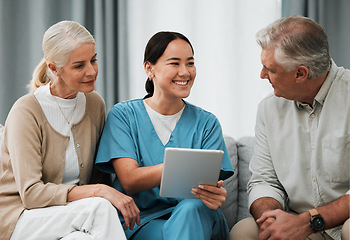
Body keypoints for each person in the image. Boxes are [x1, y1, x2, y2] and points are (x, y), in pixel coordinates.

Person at [0, 20, 140, 240]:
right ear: (54, 68)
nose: (91, 71)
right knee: (100, 207)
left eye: (93, 60)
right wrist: (99, 192)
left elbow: (99, 176)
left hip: (72, 215)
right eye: (79, 65)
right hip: (22, 217)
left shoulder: (94, 104)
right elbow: (31, 194)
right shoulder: (26, 111)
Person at [95, 31, 234, 239]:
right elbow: (130, 180)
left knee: (191, 208)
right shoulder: (124, 116)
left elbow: (210, 187)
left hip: (198, 218)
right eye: (175, 63)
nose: (185, 72)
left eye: (190, 63)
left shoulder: (207, 123)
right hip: (144, 222)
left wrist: (214, 195)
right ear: (149, 69)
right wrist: (180, 166)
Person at [230, 16, 349, 240]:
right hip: (294, 220)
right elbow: (264, 180)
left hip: (343, 222)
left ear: (300, 74)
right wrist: (273, 220)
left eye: (270, 69)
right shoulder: (268, 110)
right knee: (243, 232)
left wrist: (309, 222)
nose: (262, 75)